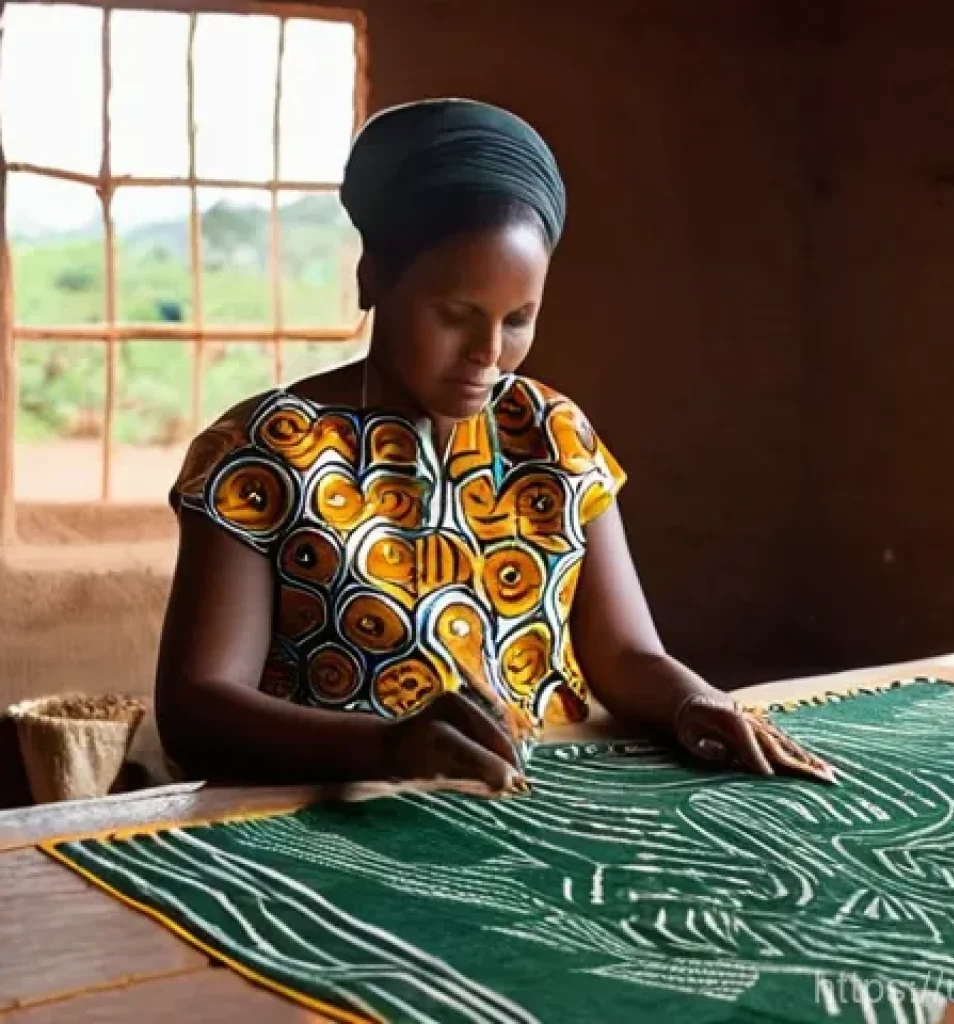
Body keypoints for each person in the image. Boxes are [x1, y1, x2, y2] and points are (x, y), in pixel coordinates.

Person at [156, 98, 834, 793]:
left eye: (518, 320)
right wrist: (388, 747)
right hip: (337, 812)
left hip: (543, 802)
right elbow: (195, 711)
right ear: (372, 277)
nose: (487, 353)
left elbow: (627, 653)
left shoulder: (552, 435)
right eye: (456, 315)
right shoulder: (264, 454)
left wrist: (695, 701)